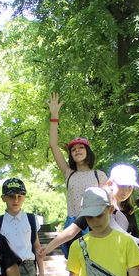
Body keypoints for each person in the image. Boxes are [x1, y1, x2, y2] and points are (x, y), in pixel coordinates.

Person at [39, 163, 139, 274]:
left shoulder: (129, 212)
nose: (126, 191)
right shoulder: (97, 208)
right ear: (109, 183)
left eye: (130, 187)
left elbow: (138, 245)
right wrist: (47, 249)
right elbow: (72, 231)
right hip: (100, 268)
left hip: (124, 270)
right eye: (122, 186)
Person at [47, 92, 107, 255]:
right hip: (73, 226)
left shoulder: (99, 175)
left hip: (94, 224)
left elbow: (109, 204)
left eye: (81, 148)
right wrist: (54, 116)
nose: (77, 151)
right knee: (75, 265)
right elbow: (53, 145)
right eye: (73, 149)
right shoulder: (69, 174)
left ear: (88, 151)